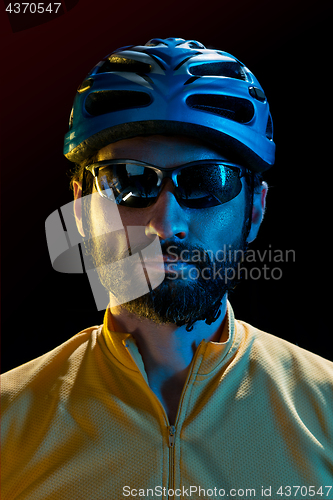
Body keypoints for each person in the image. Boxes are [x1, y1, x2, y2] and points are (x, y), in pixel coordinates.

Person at [1, 38, 332, 500]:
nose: (166, 224)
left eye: (207, 181)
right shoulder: (7, 421)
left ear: (254, 210)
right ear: (80, 208)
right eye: (129, 182)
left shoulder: (328, 410)